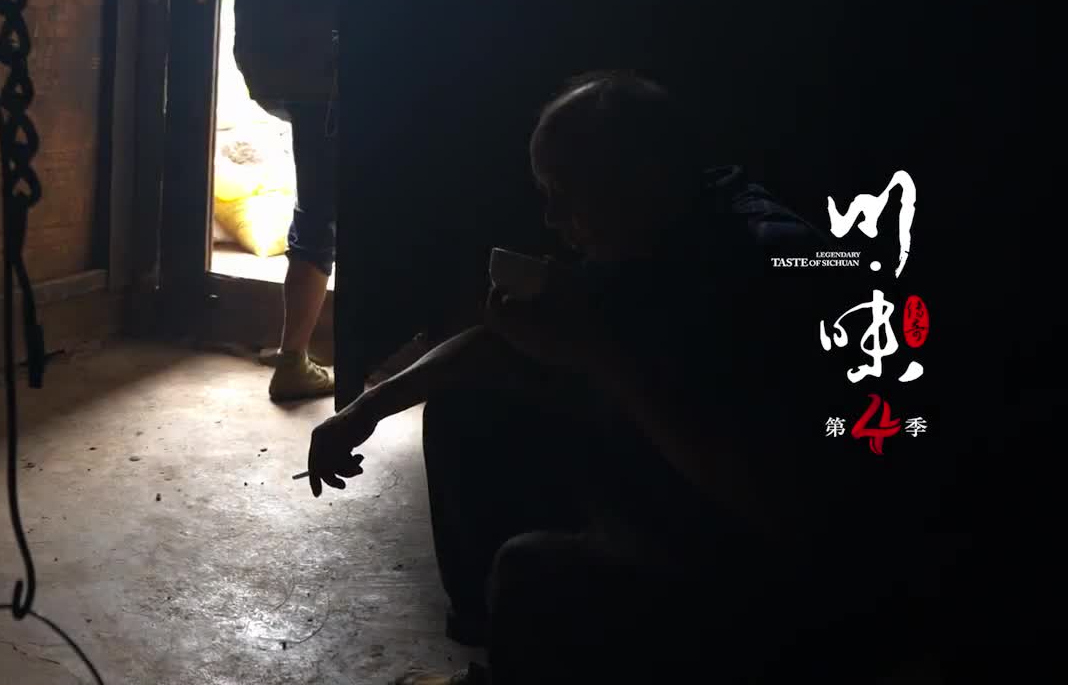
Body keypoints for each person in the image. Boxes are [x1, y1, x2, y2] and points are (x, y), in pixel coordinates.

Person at [304, 72, 901, 684]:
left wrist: (599, 359)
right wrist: (368, 407)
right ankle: (496, 647)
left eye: (565, 194)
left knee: (531, 571)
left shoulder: (772, 272)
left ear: (640, 179)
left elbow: (785, 506)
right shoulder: (652, 230)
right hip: (678, 487)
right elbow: (500, 344)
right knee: (466, 406)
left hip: (775, 571)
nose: (551, 218)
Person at [232, 0, 342, 402]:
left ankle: (296, 354)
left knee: (319, 208)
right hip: (344, 77)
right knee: (327, 215)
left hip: (288, 81)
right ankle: (296, 360)